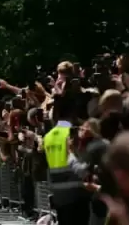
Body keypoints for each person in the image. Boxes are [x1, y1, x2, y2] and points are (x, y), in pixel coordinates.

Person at [44, 96, 89, 225]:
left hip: (58, 193)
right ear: (73, 113)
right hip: (77, 193)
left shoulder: (48, 136)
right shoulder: (73, 134)